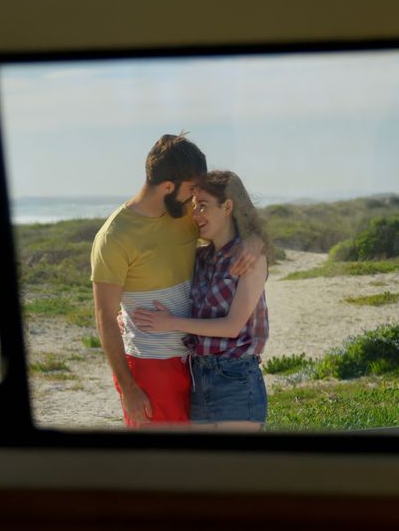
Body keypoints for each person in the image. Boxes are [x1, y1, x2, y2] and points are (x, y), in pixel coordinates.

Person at [90, 135, 259, 428]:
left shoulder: (184, 216)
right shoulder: (113, 237)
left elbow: (233, 226)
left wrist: (256, 242)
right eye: (192, 189)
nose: (196, 199)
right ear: (168, 187)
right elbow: (104, 316)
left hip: (196, 366)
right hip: (151, 368)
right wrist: (128, 389)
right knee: (162, 466)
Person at [132, 170, 270, 430]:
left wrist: (171, 323)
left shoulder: (251, 258)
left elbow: (232, 326)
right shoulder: (201, 258)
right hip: (198, 379)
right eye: (194, 206)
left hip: (237, 380)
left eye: (203, 206)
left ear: (227, 206)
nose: (195, 214)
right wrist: (126, 312)